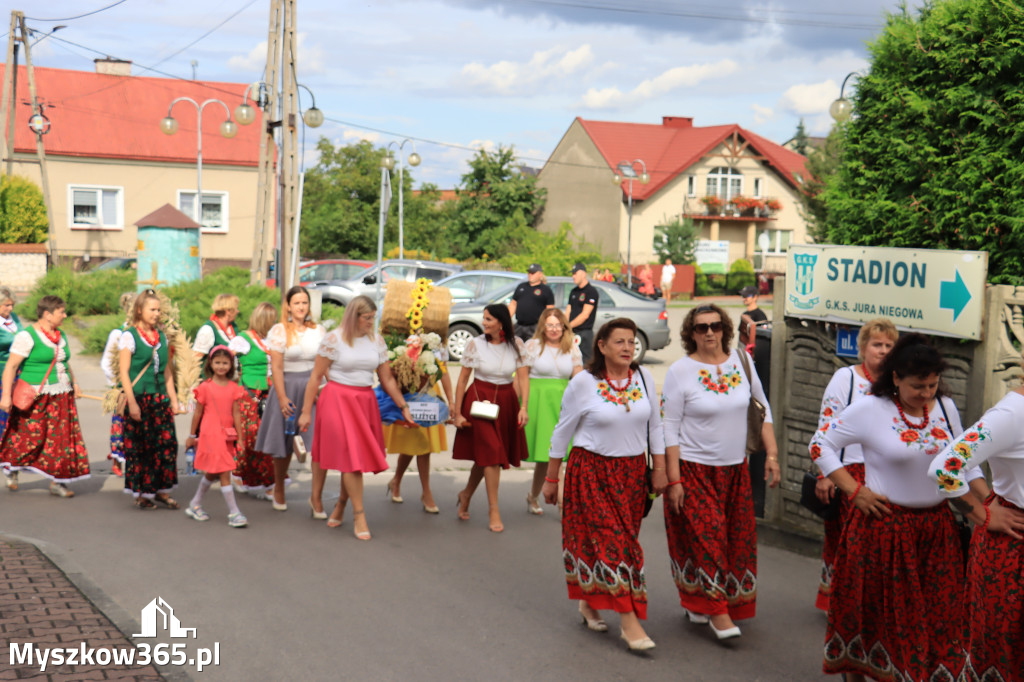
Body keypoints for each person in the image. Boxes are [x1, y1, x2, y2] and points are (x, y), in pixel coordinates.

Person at [810, 333, 980, 681]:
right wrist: (854, 490)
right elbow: (820, 444)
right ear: (896, 379)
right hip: (884, 528)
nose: (926, 394)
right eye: (918, 386)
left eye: (933, 385)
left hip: (937, 532)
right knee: (875, 614)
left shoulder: (945, 408)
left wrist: (985, 502)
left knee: (939, 617)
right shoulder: (871, 410)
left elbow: (965, 459)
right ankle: (858, 670)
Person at [542, 318, 665, 651]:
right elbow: (562, 432)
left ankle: (589, 601)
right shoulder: (584, 382)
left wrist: (660, 469)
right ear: (602, 346)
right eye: (620, 342)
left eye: (631, 342)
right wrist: (552, 478)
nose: (627, 348)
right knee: (613, 546)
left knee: (624, 543)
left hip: (632, 476)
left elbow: (656, 425)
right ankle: (629, 622)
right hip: (591, 472)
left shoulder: (643, 377)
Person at [660, 304, 780, 640]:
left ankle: (701, 600)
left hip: (736, 470)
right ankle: (718, 612)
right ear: (691, 333)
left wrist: (772, 453)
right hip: (694, 470)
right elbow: (669, 426)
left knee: (736, 540)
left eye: (715, 325)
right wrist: (674, 479)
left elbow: (762, 408)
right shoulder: (680, 371)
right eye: (701, 328)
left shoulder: (741, 361)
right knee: (710, 536)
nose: (709, 332)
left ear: (725, 328)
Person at [930, 359, 1024, 682]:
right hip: (1013, 552)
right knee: (1001, 658)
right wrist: (983, 513)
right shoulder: (1011, 415)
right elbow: (944, 468)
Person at [297, 296, 413, 540]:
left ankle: (340, 504)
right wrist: (306, 411)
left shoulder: (376, 341)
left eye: (373, 317)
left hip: (364, 401)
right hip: (337, 401)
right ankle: (359, 515)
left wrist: (402, 405)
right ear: (353, 316)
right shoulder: (334, 339)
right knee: (351, 459)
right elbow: (316, 377)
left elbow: (387, 379)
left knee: (355, 459)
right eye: (367, 318)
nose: (371, 322)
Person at [812, 318, 897, 612]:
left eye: (889, 345)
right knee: (847, 542)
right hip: (848, 473)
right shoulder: (846, 379)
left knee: (874, 545)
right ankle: (839, 600)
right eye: (877, 344)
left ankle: (862, 602)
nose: (883, 351)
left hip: (884, 474)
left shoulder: (898, 384)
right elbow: (825, 428)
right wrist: (827, 475)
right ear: (863, 349)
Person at [0, 295, 89, 496]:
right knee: (29, 437)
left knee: (61, 439)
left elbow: (64, 361)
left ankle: (58, 481)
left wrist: (74, 383)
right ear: (48, 315)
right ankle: (11, 467)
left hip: (61, 395)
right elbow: (11, 366)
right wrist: (6, 396)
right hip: (35, 395)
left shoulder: (61, 335)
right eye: (61, 312)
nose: (65, 316)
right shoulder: (27, 336)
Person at [453, 303, 529, 533]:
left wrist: (523, 406)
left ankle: (465, 494)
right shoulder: (475, 344)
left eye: (488, 319)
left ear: (501, 322)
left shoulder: (516, 345)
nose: (484, 323)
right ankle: (493, 509)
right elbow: (463, 379)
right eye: (484, 319)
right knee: (493, 453)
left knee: (487, 456)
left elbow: (523, 378)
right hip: (478, 401)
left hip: (505, 402)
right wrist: (456, 412)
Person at [254, 286, 325, 512]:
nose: (301, 307)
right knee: (284, 443)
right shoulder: (279, 330)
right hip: (287, 386)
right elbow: (276, 366)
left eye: (304, 303)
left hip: (313, 388)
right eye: (297, 303)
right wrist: (282, 397)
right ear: (288, 306)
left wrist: (330, 387)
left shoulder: (319, 331)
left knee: (317, 444)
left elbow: (325, 364)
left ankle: (316, 497)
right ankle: (279, 488)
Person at [119, 289, 181, 509]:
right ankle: (143, 493)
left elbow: (167, 372)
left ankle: (162, 490)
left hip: (159, 400)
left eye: (158, 310)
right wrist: (132, 403)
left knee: (167, 445)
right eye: (152, 309)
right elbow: (124, 372)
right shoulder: (130, 336)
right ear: (139, 310)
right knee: (142, 448)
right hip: (139, 399)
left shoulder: (162, 336)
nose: (156, 313)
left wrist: (173, 400)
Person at [522, 308, 582, 515]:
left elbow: (580, 381)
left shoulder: (572, 348)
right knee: (546, 455)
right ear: (543, 326)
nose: (554, 329)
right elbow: (521, 378)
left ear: (564, 326)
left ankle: (535, 496)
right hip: (538, 403)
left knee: (559, 455)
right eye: (550, 325)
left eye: (558, 325)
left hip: (563, 403)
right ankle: (561, 504)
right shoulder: (532, 346)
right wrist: (521, 405)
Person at [383, 341, 454, 515]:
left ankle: (422, 491)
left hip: (429, 392)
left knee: (423, 445)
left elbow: (443, 372)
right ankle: (401, 482)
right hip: (408, 391)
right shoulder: (402, 338)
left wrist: (451, 400)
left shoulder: (437, 341)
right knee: (414, 443)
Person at [182, 346, 248, 527]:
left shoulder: (235, 388)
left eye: (225, 363)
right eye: (217, 362)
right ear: (210, 364)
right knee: (225, 472)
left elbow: (236, 414)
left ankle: (195, 504)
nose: (221, 366)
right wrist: (191, 435)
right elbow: (197, 413)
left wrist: (240, 437)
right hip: (210, 433)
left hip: (227, 435)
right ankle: (234, 513)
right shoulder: (205, 387)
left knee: (213, 472)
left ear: (231, 365)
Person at [228, 302, 278, 498]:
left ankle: (265, 481)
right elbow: (222, 359)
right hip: (250, 395)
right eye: (272, 320)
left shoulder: (273, 339)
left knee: (269, 438)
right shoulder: (243, 340)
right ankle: (255, 479)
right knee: (250, 438)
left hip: (271, 393)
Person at [100, 293, 135, 477]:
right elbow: (107, 362)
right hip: (122, 388)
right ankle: (117, 459)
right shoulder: (119, 334)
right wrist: (116, 384)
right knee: (120, 424)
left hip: (142, 389)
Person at [508, 263, 554, 342]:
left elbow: (549, 310)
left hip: (535, 326)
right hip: (519, 325)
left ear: (540, 274)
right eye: (529, 272)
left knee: (533, 349)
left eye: (533, 273)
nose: (530, 275)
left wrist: (546, 326)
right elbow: (513, 304)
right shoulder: (521, 286)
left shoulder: (546, 290)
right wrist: (506, 320)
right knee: (515, 347)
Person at [565, 262, 599, 366]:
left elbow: (585, 315)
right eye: (572, 274)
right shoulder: (574, 291)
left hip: (584, 333)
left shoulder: (591, 292)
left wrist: (569, 326)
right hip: (571, 332)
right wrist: (564, 325)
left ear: (583, 274)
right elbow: (568, 310)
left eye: (575, 273)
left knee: (585, 363)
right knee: (569, 361)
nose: (573, 276)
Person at [192, 293, 240, 361]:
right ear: (228, 311)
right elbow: (195, 359)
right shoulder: (207, 330)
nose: (238, 311)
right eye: (236, 308)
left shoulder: (234, 327)